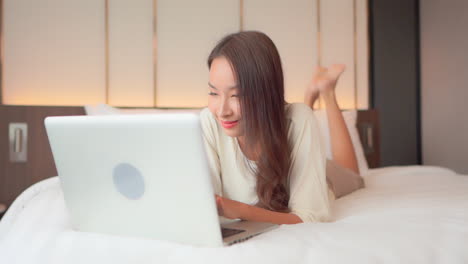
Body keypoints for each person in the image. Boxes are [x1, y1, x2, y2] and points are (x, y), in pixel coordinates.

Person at [199, 31, 359, 225]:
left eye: (236, 95)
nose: (222, 111)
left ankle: (327, 92)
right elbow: (205, 201)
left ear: (266, 93)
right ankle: (310, 96)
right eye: (213, 93)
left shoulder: (299, 121)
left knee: (354, 177)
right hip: (287, 133)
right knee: (297, 118)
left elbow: (311, 216)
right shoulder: (208, 121)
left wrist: (240, 210)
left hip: (317, 169)